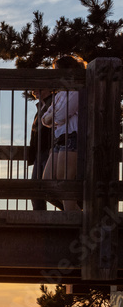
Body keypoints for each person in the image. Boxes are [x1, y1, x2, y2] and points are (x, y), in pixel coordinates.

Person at [41, 55, 85, 211]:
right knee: (47, 183)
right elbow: (44, 120)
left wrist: (53, 116)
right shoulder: (59, 95)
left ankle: (71, 219)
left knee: (64, 182)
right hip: (58, 139)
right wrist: (53, 116)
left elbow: (59, 116)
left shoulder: (76, 91)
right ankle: (77, 215)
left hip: (71, 137)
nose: (55, 74)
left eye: (57, 70)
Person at [26, 88, 54, 210]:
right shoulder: (41, 108)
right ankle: (41, 220)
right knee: (36, 190)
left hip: (50, 151)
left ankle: (73, 212)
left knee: (47, 189)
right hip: (40, 153)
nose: (33, 90)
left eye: (38, 87)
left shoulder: (54, 102)